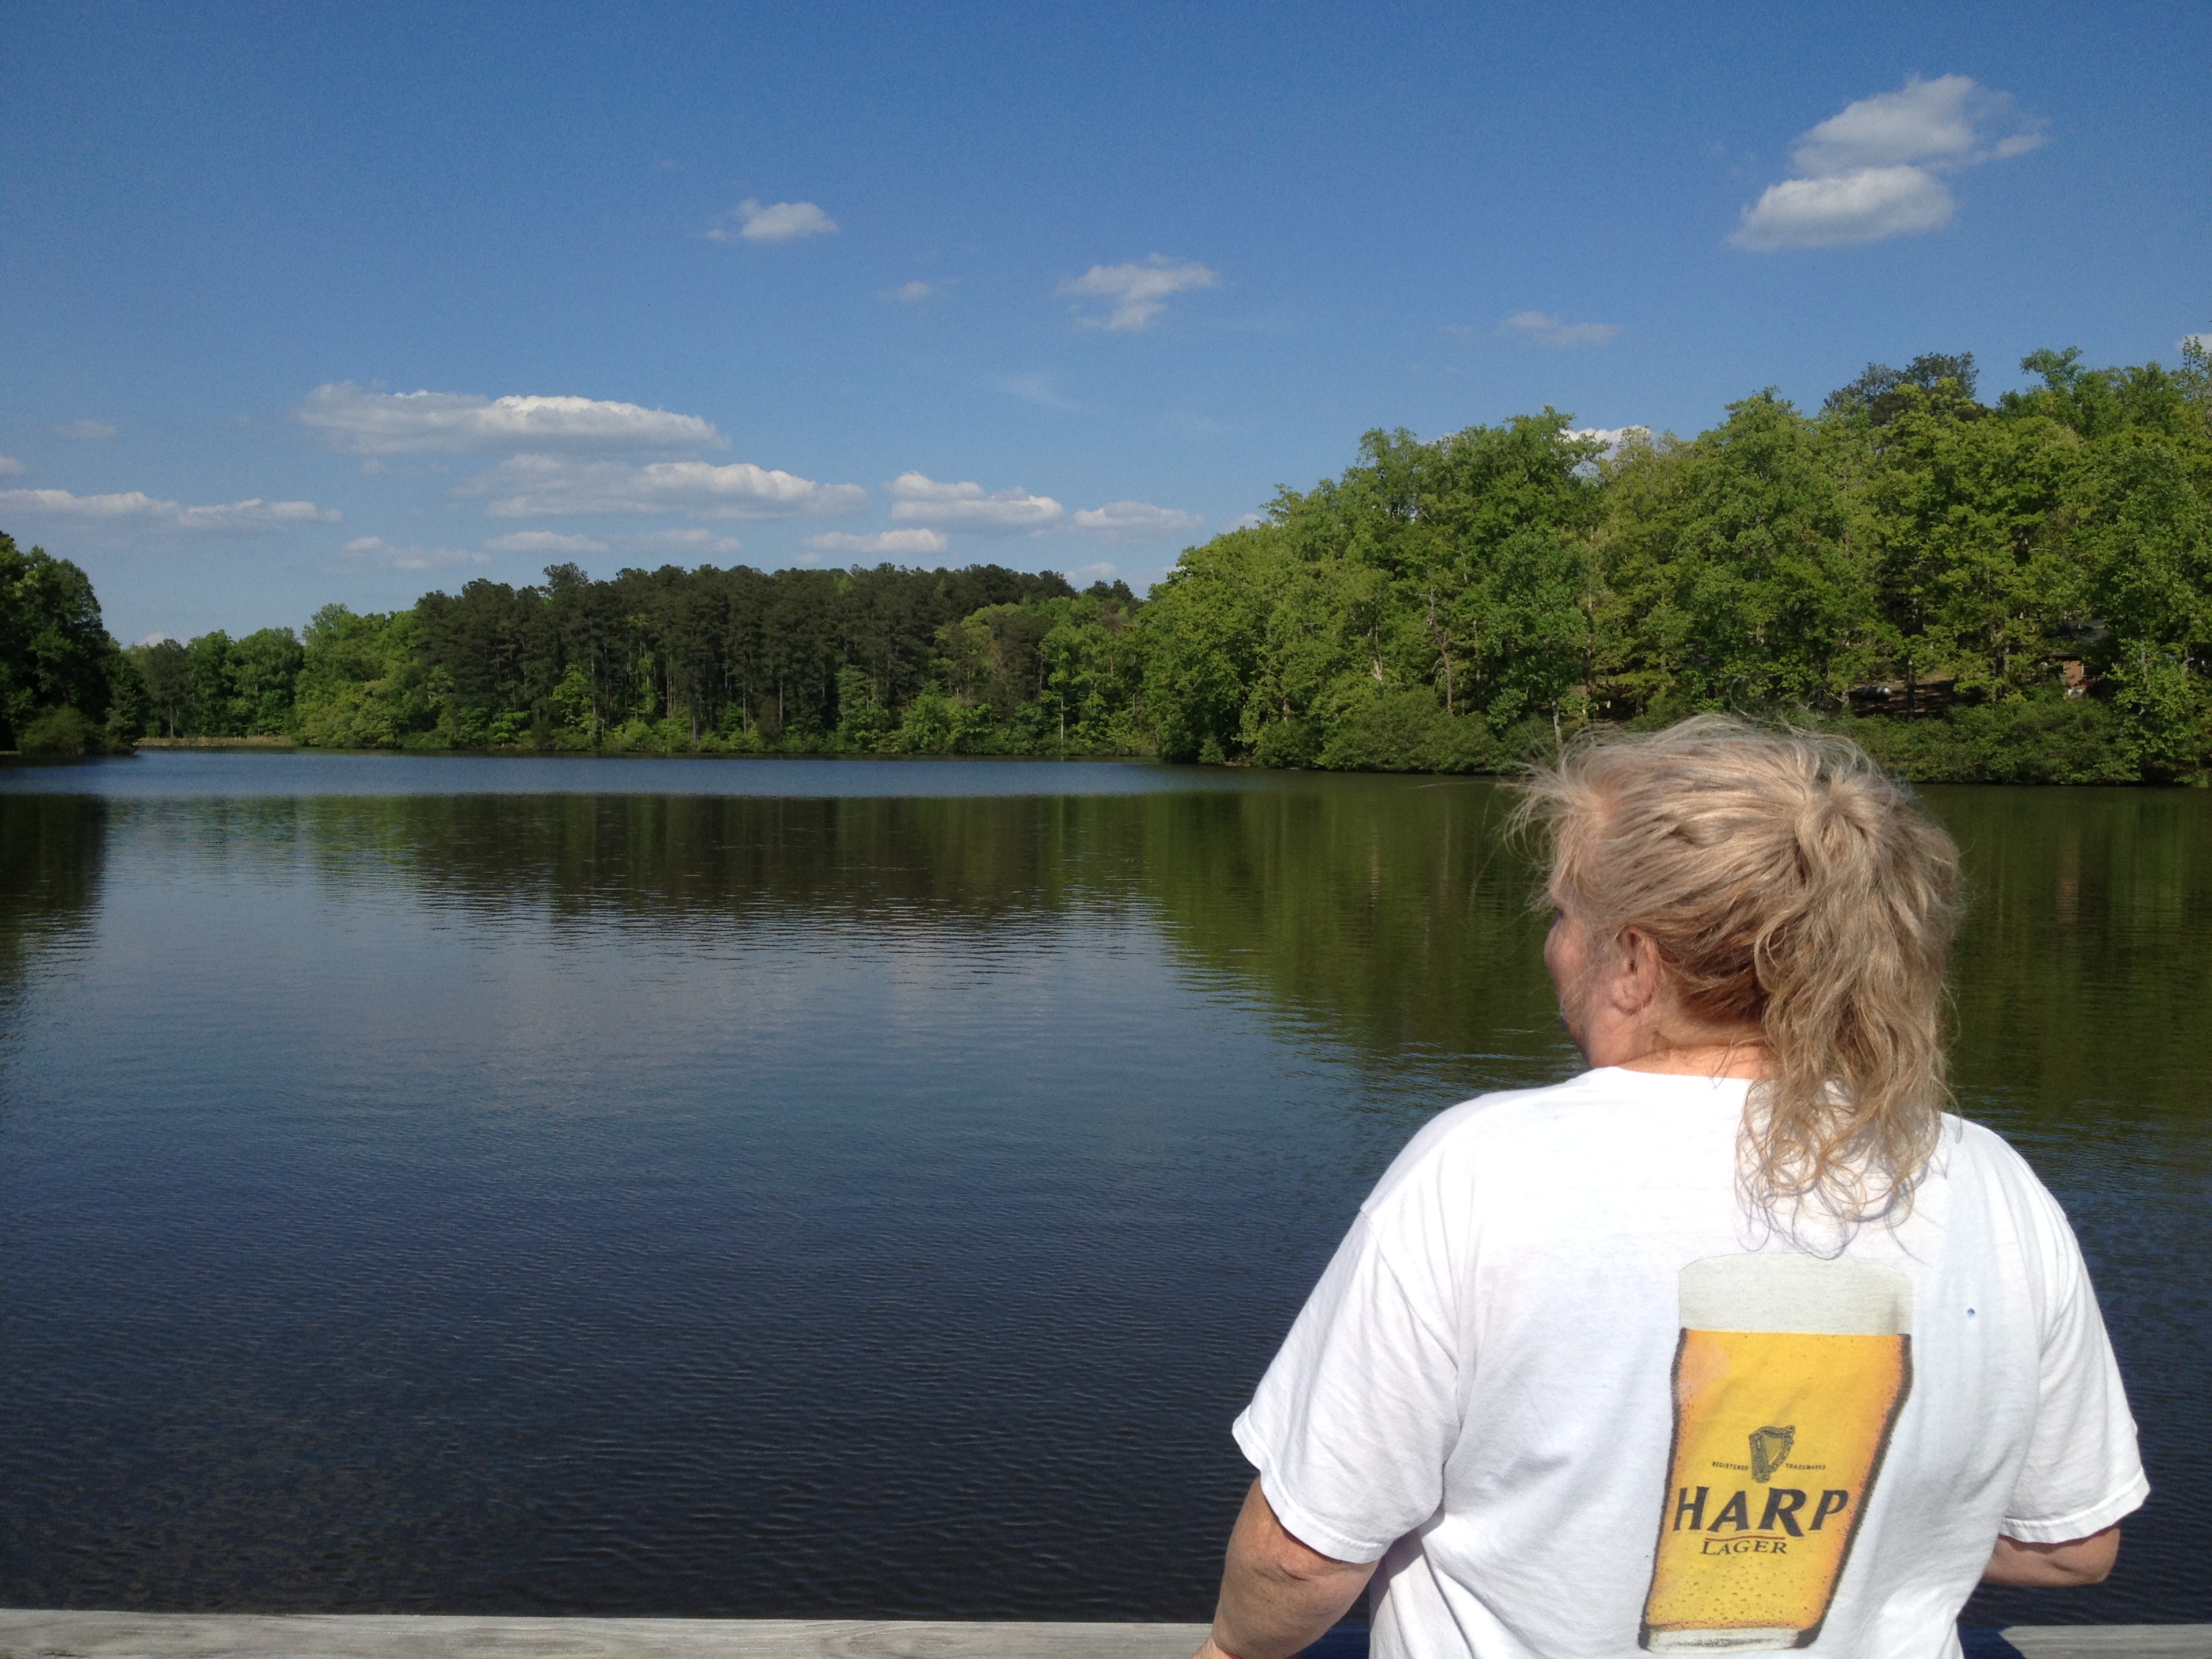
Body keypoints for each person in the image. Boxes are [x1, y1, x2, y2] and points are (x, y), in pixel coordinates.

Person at [1195, 718, 2146, 1659]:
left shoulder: (1484, 1169)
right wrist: (1861, 1533)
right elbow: (2071, 1545)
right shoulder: (1988, 1179)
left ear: (1637, 963)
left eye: (1565, 916)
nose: (1553, 950)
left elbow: (1298, 1563)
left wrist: (1233, 1652)